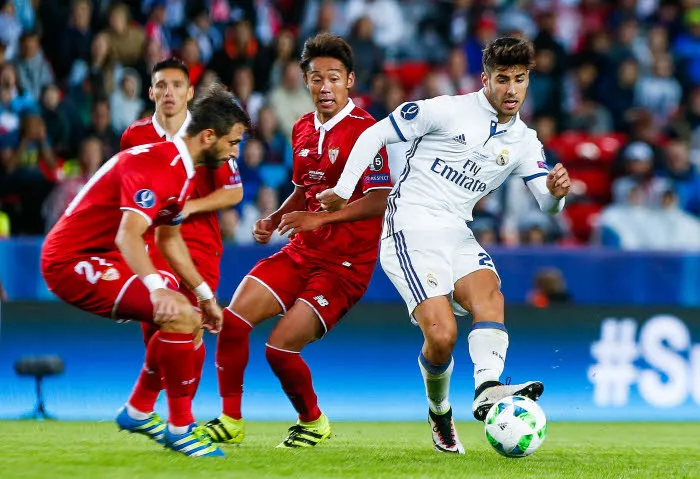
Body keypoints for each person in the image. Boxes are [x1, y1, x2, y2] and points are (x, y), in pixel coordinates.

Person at [318, 37, 571, 454]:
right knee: (442, 336)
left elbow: (547, 204)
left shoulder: (524, 140)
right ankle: (440, 412)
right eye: (503, 79)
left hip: (456, 230)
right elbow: (375, 133)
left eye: (520, 80)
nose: (511, 90)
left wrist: (558, 192)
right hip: (409, 228)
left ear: (529, 82)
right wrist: (344, 189)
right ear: (485, 78)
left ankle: (488, 386)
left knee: (490, 294)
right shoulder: (445, 110)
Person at [200, 33, 393, 448]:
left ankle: (313, 421)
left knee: (279, 350)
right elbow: (304, 189)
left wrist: (320, 218)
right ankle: (230, 419)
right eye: (316, 78)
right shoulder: (302, 128)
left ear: (350, 81)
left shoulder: (369, 132)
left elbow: (380, 199)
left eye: (334, 78)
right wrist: (274, 217)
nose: (325, 87)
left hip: (344, 267)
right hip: (302, 251)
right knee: (233, 320)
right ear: (305, 82)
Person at [41, 83, 250, 458]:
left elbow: (170, 241)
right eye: (233, 143)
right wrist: (156, 290)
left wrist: (205, 297)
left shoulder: (182, 169)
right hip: (71, 261)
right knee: (179, 315)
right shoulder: (160, 166)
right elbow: (128, 236)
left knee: (189, 312)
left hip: (106, 255)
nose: (235, 152)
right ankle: (180, 428)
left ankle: (138, 410)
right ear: (208, 136)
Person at [121, 58, 244, 402]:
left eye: (176, 85)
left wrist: (187, 207)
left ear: (190, 92)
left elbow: (234, 191)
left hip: (198, 246)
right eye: (161, 85)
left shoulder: (206, 133)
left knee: (191, 329)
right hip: (152, 246)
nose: (169, 92)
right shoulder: (134, 136)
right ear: (151, 92)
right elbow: (127, 192)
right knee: (160, 331)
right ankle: (157, 410)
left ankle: (180, 414)